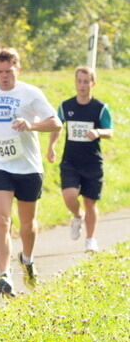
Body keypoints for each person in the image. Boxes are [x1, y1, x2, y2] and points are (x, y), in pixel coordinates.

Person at [0, 48, 61, 297]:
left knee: (27, 225)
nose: (3, 77)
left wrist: (30, 125)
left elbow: (56, 122)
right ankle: (5, 275)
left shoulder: (30, 93)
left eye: (8, 72)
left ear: (17, 69)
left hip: (29, 166)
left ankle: (28, 260)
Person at [47, 66, 114, 253]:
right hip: (71, 161)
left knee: (90, 202)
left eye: (86, 81)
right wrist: (51, 146)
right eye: (79, 81)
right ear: (75, 82)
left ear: (93, 83)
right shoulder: (66, 106)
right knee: (69, 196)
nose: (82, 85)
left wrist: (98, 132)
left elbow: (110, 131)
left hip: (92, 161)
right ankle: (77, 216)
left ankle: (90, 239)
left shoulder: (100, 108)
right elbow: (56, 127)